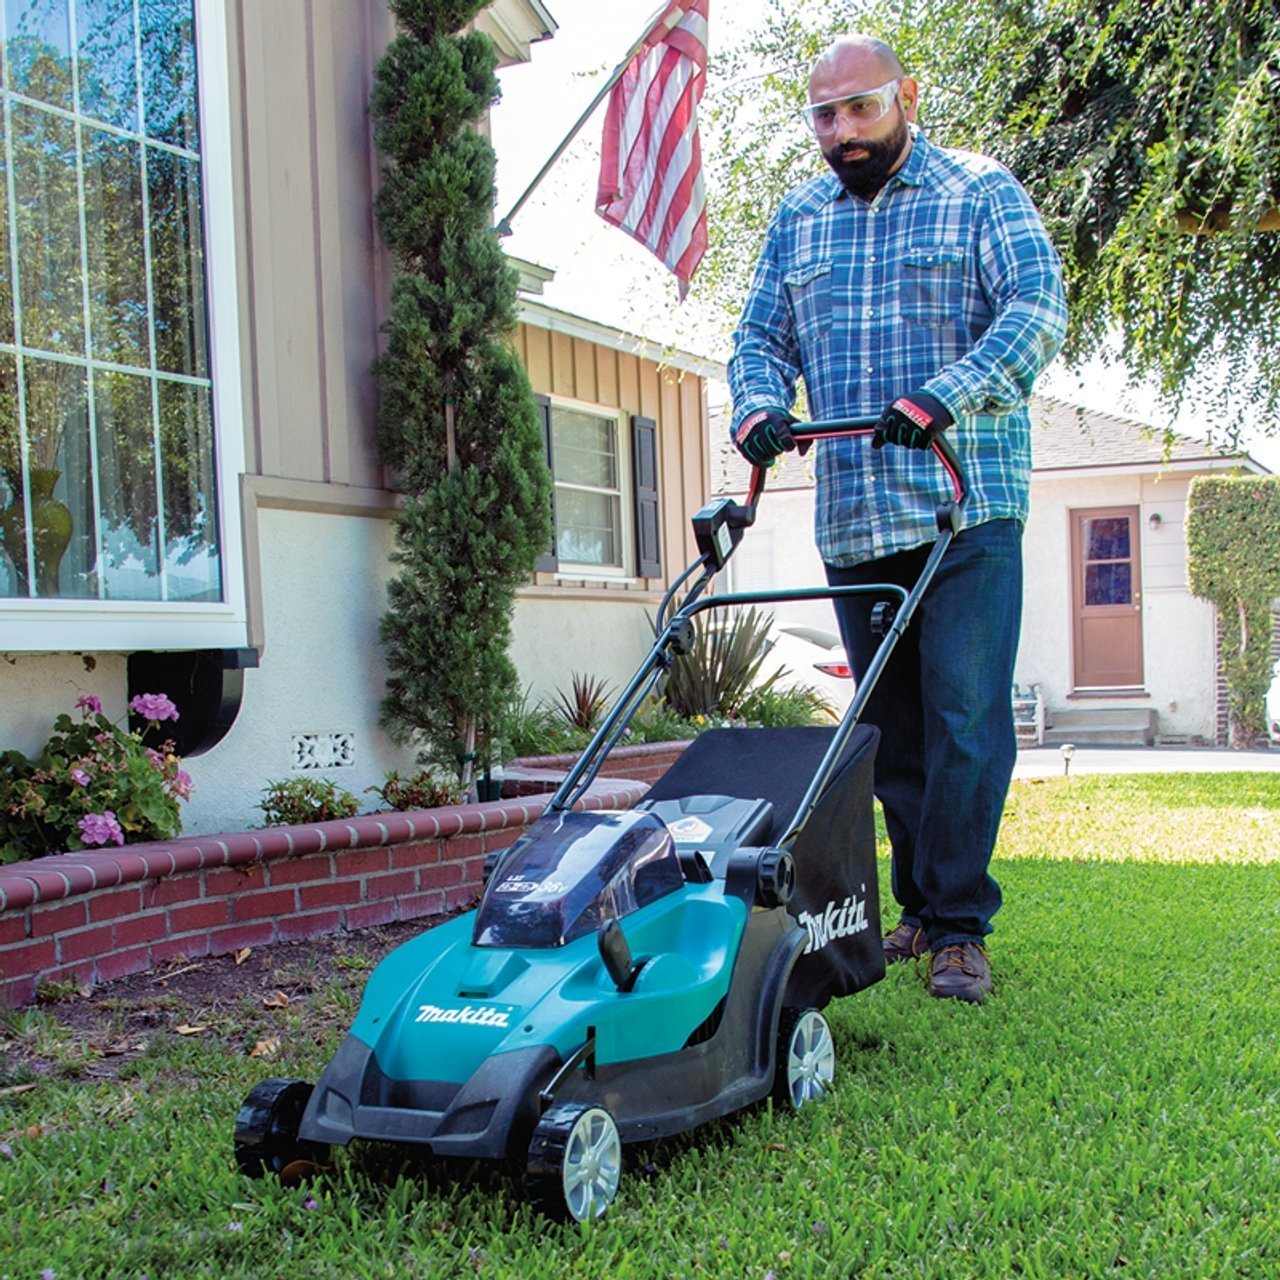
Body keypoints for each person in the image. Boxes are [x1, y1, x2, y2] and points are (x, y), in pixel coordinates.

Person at [727, 34, 1067, 1004]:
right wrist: (759, 405)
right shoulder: (798, 219)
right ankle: (917, 904)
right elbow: (757, 338)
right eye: (824, 115)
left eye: (860, 107)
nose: (841, 130)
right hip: (856, 516)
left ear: (906, 96)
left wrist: (943, 395)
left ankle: (958, 924)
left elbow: (1036, 307)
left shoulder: (978, 191)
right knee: (893, 732)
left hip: (967, 507)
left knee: (964, 720)